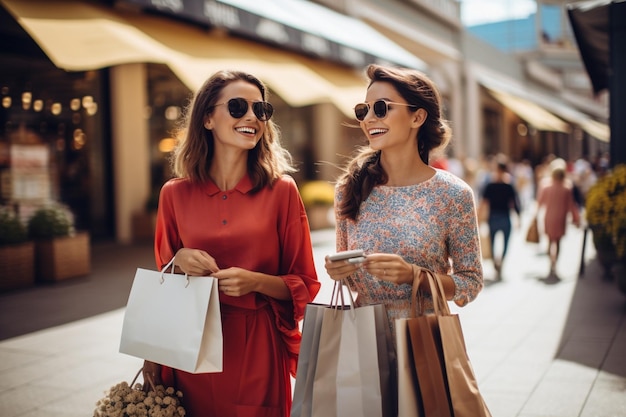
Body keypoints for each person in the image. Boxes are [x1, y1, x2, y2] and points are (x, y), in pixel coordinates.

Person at [143, 70, 321, 417]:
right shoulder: (174, 194)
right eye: (238, 107)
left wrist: (254, 281)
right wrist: (178, 259)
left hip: (256, 348)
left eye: (261, 110)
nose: (252, 117)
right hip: (187, 346)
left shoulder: (281, 191)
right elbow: (163, 279)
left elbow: (305, 284)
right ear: (207, 117)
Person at [324, 64, 484, 341]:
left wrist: (414, 276)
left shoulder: (453, 194)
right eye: (364, 110)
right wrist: (337, 270)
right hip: (362, 339)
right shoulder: (348, 189)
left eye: (382, 108)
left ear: (417, 117)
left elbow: (470, 284)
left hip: (424, 339)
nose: (369, 118)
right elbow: (351, 280)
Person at [537, 159, 581, 276]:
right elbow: (571, 205)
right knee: (558, 242)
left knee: (549, 241)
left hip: (549, 217)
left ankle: (551, 262)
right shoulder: (567, 188)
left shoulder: (546, 186)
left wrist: (535, 215)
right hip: (561, 218)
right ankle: (555, 262)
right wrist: (576, 218)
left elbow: (540, 202)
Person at [479, 160, 521, 279]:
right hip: (505, 217)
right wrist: (519, 217)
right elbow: (515, 203)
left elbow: (483, 203)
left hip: (493, 217)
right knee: (505, 244)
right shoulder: (509, 185)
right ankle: (501, 261)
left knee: (492, 243)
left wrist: (479, 218)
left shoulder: (490, 185)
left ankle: (495, 263)